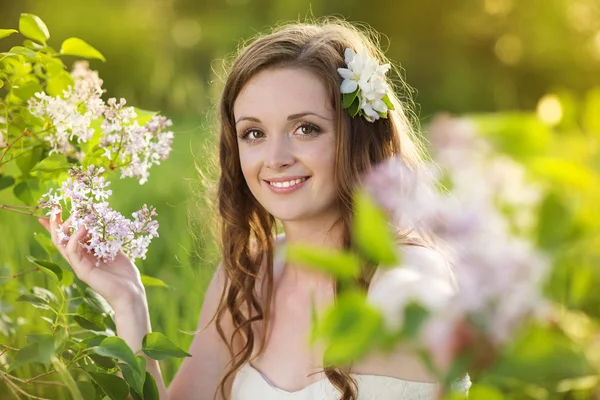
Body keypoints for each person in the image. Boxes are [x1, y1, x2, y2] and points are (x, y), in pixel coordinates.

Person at [39, 18, 461, 400]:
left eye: (305, 128)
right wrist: (128, 301)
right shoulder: (247, 277)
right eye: (254, 133)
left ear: (358, 138)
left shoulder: (406, 282)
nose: (274, 157)